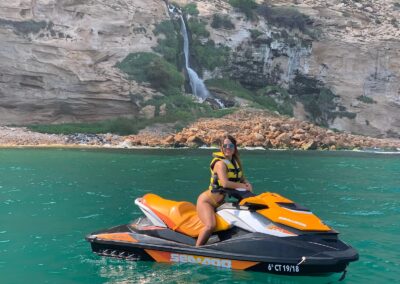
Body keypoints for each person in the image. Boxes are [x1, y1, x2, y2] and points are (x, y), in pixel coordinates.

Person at [196, 135, 252, 246]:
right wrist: (243, 185)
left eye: (230, 145)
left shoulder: (235, 162)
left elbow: (240, 178)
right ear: (221, 148)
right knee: (210, 226)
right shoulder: (220, 164)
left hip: (220, 202)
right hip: (207, 202)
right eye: (225, 145)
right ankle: (196, 250)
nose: (228, 148)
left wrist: (247, 183)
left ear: (234, 148)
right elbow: (225, 183)